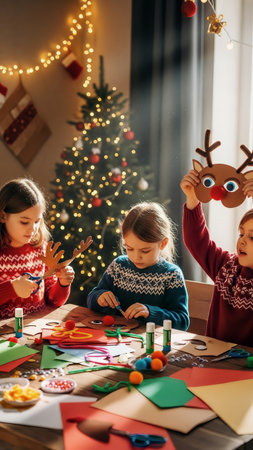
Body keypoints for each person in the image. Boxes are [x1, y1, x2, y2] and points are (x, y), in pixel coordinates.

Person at [87, 201, 189, 329]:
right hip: (115, 338)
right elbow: (92, 298)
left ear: (162, 244)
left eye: (145, 251)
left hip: (150, 344)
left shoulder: (171, 275)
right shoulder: (119, 266)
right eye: (129, 248)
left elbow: (182, 321)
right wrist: (99, 297)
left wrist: (150, 312)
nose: (136, 257)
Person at [180, 169, 253, 347]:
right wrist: (192, 197)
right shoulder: (227, 267)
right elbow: (197, 241)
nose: (242, 241)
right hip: (213, 363)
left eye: (252, 237)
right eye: (241, 234)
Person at [0, 178, 75, 319]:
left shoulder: (41, 250)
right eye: (24, 222)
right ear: (3, 216)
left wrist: (62, 284)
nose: (33, 228)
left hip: (36, 329)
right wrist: (11, 289)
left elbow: (54, 301)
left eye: (37, 221)